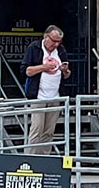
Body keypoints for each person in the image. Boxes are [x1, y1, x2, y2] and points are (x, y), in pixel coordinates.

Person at [22, 24, 71, 154]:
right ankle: (30, 159)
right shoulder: (34, 48)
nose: (56, 44)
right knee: (37, 129)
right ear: (45, 36)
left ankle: (45, 159)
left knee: (49, 131)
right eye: (54, 41)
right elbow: (26, 71)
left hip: (55, 96)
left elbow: (66, 75)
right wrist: (44, 67)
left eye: (58, 42)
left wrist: (65, 71)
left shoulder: (61, 50)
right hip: (38, 96)